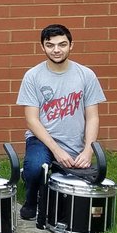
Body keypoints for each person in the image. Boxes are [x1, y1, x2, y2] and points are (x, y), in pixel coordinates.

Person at [16, 24, 106, 221]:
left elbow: (93, 116)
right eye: (50, 45)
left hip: (75, 141)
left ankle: (53, 171)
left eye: (62, 44)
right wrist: (57, 150)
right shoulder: (33, 76)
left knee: (92, 178)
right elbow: (31, 120)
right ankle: (31, 199)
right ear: (42, 47)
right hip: (42, 140)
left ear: (71, 45)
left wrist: (88, 150)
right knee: (36, 167)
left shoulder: (86, 75)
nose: (56, 50)